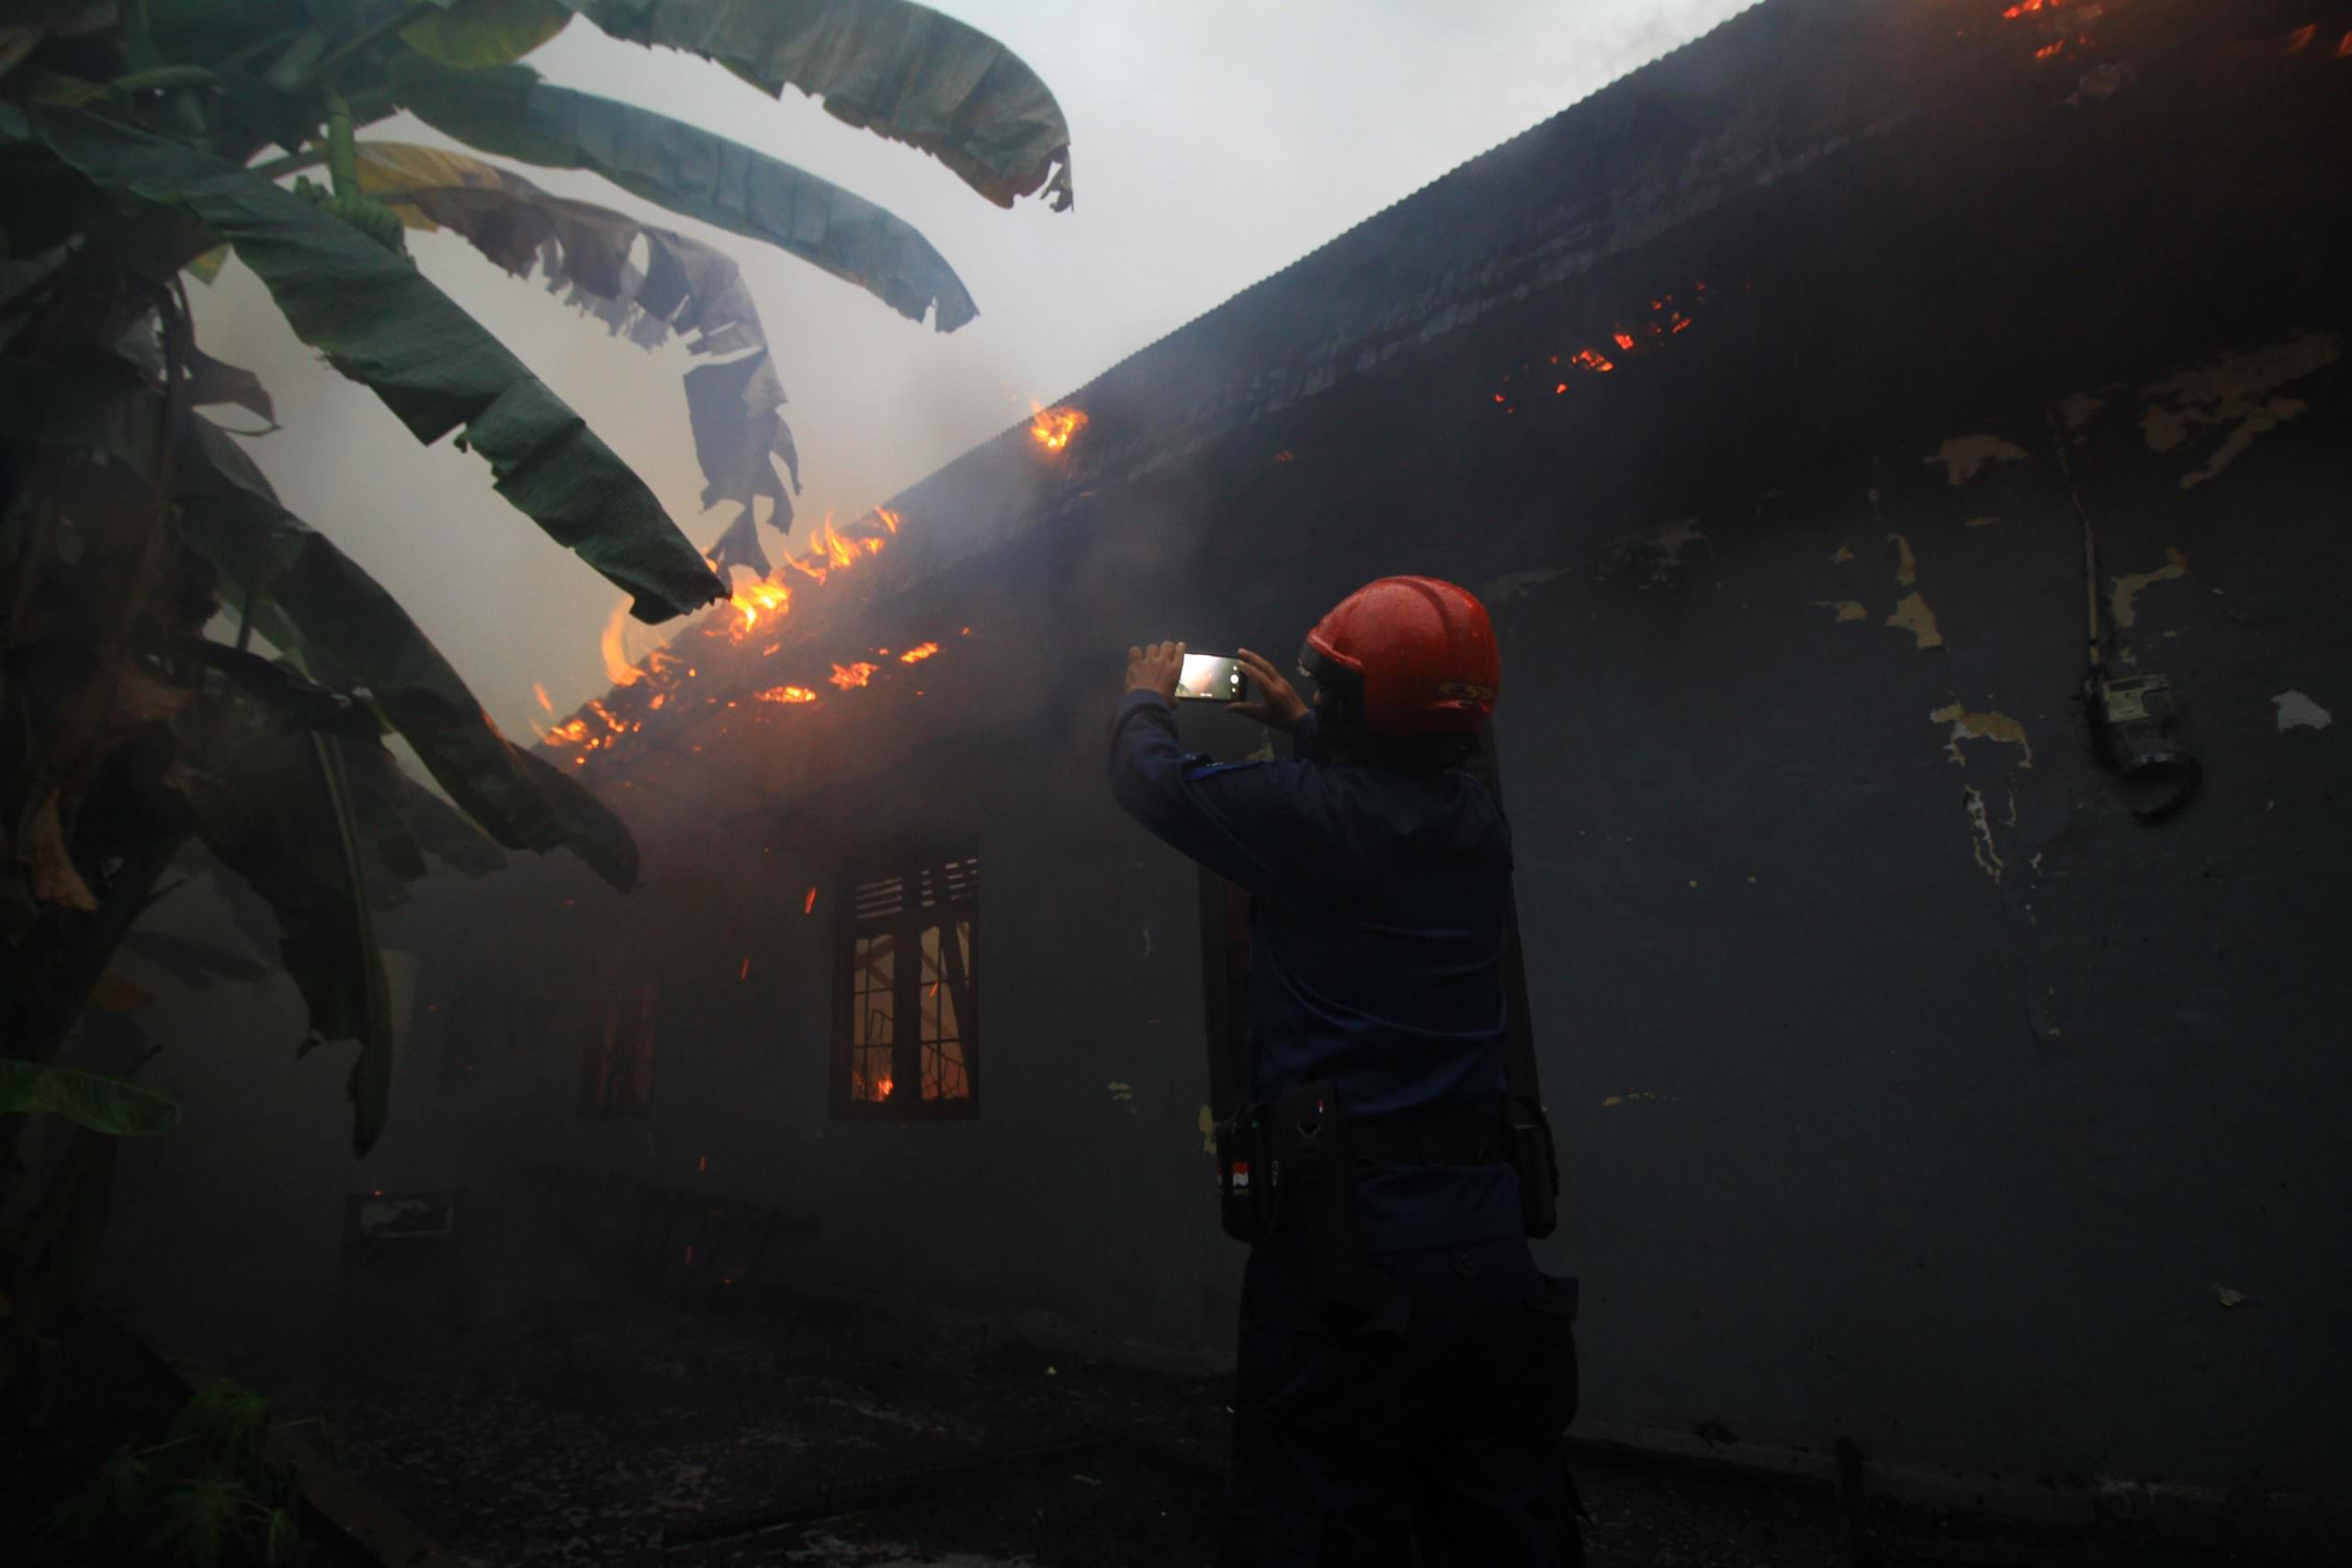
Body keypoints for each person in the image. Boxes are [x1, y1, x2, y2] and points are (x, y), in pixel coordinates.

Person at [1108, 577, 1583, 1568]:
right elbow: (1384, 796)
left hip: (1346, 1256)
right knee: (1502, 1524)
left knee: (1318, 1522)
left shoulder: (1303, 819)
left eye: (1328, 688)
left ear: (1350, 706)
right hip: (1491, 1251)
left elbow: (1151, 781)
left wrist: (1144, 696)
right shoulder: (1478, 828)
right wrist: (1302, 725)